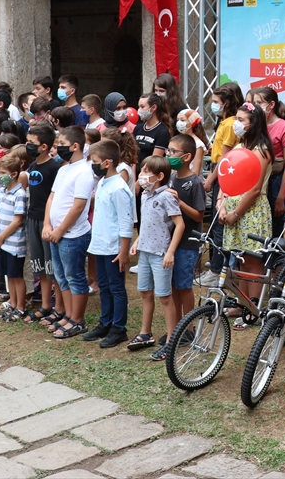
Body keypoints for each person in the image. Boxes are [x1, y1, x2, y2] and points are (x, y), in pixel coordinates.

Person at [218, 102, 273, 327]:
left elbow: (255, 189)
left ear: (254, 124)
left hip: (250, 211)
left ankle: (253, 307)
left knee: (252, 261)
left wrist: (236, 213)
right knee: (239, 260)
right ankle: (241, 304)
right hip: (232, 207)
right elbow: (225, 177)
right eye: (236, 119)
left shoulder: (261, 150)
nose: (237, 124)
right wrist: (221, 205)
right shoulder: (240, 146)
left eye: (241, 120)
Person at [129, 155, 184, 359]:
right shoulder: (145, 195)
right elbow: (147, 224)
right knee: (145, 292)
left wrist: (170, 252)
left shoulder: (166, 196)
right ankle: (145, 333)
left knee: (165, 297)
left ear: (160, 176)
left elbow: (180, 225)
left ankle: (171, 341)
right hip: (145, 251)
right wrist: (138, 241)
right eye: (141, 170)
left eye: (146, 172)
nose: (142, 176)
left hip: (160, 253)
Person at [82, 139, 134, 348]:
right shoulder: (103, 182)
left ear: (107, 162)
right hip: (100, 244)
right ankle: (106, 322)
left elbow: (125, 222)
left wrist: (123, 251)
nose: (92, 165)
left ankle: (119, 328)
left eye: (95, 161)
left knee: (116, 287)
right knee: (104, 285)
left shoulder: (119, 188)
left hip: (113, 247)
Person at [45, 127, 94, 339]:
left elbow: (78, 206)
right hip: (55, 232)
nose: (58, 148)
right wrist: (48, 225)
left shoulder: (84, 171)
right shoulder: (64, 169)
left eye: (62, 143)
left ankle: (77, 319)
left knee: (75, 277)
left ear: (75, 146)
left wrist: (61, 230)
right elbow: (51, 198)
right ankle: (67, 314)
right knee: (61, 276)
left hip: (72, 235)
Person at [201, 83, 242, 281]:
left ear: (226, 104)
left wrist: (211, 177)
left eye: (216, 102)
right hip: (217, 168)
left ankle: (218, 270)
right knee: (216, 222)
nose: (212, 105)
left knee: (219, 223)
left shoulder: (230, 124)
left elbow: (225, 159)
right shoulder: (223, 122)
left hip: (221, 172)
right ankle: (217, 265)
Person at [24, 123, 62, 323]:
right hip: (33, 218)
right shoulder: (32, 166)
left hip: (48, 221)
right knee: (40, 266)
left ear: (44, 147)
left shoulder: (54, 167)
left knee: (52, 266)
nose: (27, 145)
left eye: (32, 143)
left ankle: (59, 307)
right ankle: (46, 305)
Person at [167, 133, 205, 323]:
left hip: (188, 243)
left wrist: (179, 201)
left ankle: (188, 327)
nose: (169, 155)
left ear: (187, 156)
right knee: (173, 286)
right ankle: (175, 327)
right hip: (171, 242)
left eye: (173, 151)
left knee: (184, 286)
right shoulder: (172, 177)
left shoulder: (195, 182)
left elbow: (199, 215)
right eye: (168, 150)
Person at [252, 86, 285, 237]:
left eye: (259, 102)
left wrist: (281, 197)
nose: (255, 106)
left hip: (275, 182)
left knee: (275, 230)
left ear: (271, 105)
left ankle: (276, 260)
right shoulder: (255, 125)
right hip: (256, 181)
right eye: (254, 102)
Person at [0, 153, 28, 320]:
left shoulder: (20, 193)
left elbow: (18, 220)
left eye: (3, 173)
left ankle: (20, 307)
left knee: (16, 275)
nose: (0, 177)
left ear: (13, 174)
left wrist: (3, 236)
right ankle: (12, 303)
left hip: (14, 243)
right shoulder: (1, 191)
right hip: (1, 241)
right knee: (8, 275)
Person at [134, 94, 171, 162]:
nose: (139, 110)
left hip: (149, 169)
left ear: (153, 107)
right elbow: (132, 154)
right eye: (139, 107)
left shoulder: (162, 132)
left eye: (142, 107)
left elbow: (155, 160)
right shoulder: (138, 128)